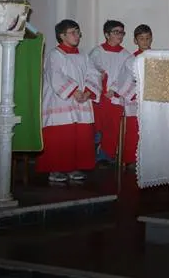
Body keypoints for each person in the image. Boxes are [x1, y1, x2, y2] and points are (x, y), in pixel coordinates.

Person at [36, 20, 101, 183]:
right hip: (60, 102)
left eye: (78, 32)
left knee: (78, 135)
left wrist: (89, 91)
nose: (77, 35)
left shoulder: (83, 55)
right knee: (60, 135)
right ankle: (55, 169)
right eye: (73, 32)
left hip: (81, 101)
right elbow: (55, 76)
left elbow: (94, 74)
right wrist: (74, 91)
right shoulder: (54, 55)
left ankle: (73, 167)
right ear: (62, 36)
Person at [88, 20, 133, 165]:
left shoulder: (126, 55)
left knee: (113, 126)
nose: (120, 35)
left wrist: (114, 90)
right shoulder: (97, 52)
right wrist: (101, 81)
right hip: (99, 96)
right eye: (116, 32)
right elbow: (91, 70)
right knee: (96, 126)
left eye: (121, 32)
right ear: (107, 34)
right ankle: (92, 152)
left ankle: (105, 155)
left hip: (115, 96)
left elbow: (127, 75)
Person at [114, 24, 153, 168]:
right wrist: (137, 93)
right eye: (141, 39)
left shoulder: (157, 58)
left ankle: (150, 159)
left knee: (151, 131)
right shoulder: (131, 60)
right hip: (135, 102)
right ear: (135, 41)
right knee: (133, 131)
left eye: (147, 38)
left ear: (151, 39)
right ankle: (131, 159)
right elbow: (124, 81)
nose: (145, 41)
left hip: (152, 102)